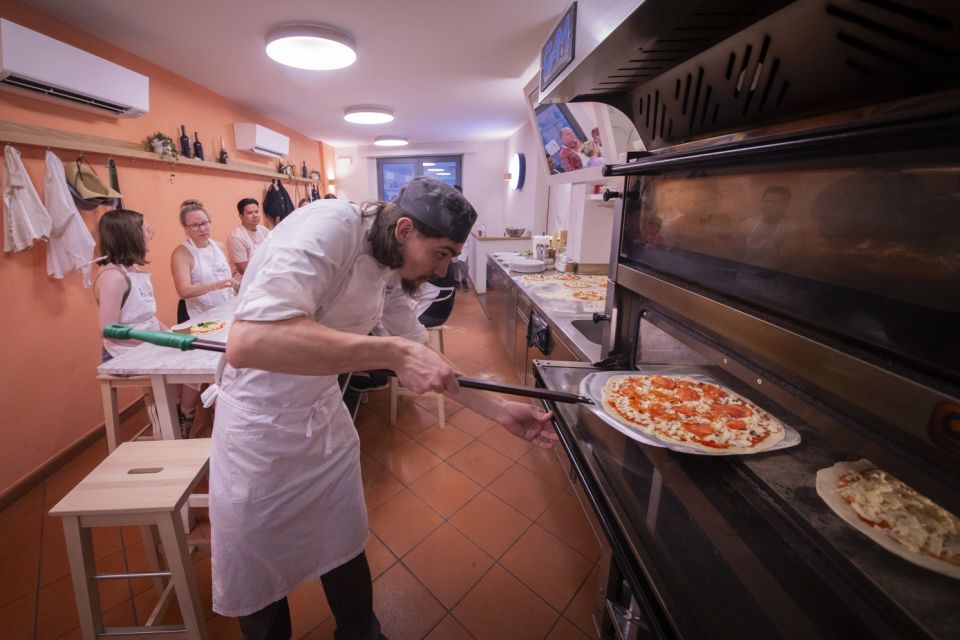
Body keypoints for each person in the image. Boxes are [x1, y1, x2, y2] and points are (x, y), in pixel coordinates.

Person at [211, 177, 557, 640]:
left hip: (322, 411)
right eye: (441, 254)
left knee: (343, 540)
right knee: (257, 564)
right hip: (259, 424)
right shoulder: (329, 226)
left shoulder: (391, 263)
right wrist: (390, 354)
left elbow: (420, 351)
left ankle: (361, 633)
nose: (440, 271)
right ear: (405, 229)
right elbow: (249, 341)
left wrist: (499, 411)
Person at [171, 199, 236, 436]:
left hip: (225, 314)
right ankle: (185, 419)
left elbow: (228, 276)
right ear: (186, 228)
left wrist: (235, 285)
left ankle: (224, 422)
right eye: (195, 225)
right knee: (196, 372)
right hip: (200, 319)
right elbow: (183, 290)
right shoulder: (182, 252)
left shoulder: (218, 245)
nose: (202, 228)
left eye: (205, 223)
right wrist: (216, 285)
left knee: (225, 366)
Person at [93, 209, 166, 361]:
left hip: (148, 345)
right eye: (147, 230)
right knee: (187, 369)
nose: (150, 236)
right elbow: (108, 330)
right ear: (131, 235)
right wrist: (157, 340)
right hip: (125, 353)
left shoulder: (132, 269)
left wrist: (171, 334)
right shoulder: (113, 276)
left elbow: (146, 317)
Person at [227, 198, 269, 277]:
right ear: (241, 216)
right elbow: (244, 270)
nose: (255, 215)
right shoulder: (236, 237)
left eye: (256, 212)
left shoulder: (264, 231)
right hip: (244, 281)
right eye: (250, 213)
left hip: (264, 275)